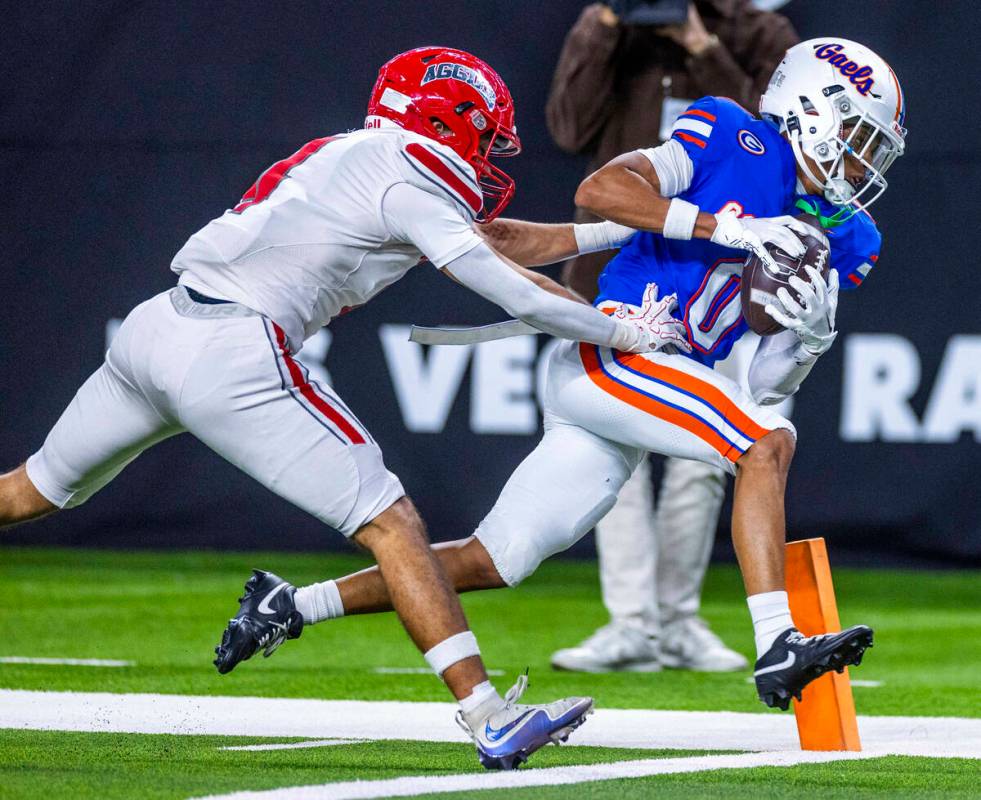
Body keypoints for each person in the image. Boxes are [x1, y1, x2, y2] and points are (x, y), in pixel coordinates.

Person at [0, 46, 683, 771]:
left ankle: (485, 712)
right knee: (393, 524)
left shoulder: (355, 156)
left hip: (156, 329)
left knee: (26, 491)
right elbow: (510, 291)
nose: (484, 153)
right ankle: (488, 715)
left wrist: (630, 226)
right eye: (482, 134)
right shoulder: (411, 177)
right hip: (235, 351)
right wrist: (622, 331)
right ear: (451, 118)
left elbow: (496, 246)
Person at [276, 38, 904, 711]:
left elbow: (761, 385)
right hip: (616, 352)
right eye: (858, 138)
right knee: (764, 441)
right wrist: (726, 228)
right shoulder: (729, 134)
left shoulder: (847, 235)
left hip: (658, 380)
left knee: (497, 558)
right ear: (810, 109)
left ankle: (290, 606)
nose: (862, 161)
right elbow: (600, 188)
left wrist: (809, 340)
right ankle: (778, 642)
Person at [546, 0, 800, 674]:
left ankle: (677, 620)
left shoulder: (754, 29)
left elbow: (780, 150)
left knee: (704, 464)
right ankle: (629, 622)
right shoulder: (615, 27)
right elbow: (567, 128)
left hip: (725, 291)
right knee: (614, 461)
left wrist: (699, 43)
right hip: (617, 277)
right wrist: (603, 24)